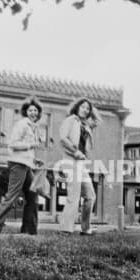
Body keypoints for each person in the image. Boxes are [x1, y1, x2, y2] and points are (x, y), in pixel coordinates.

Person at [0, 96, 42, 235]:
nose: (33, 113)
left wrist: (35, 161)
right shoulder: (22, 124)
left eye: (36, 110)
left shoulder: (33, 127)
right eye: (30, 110)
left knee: (32, 196)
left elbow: (26, 150)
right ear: (25, 112)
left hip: (27, 165)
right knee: (11, 196)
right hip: (18, 164)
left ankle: (29, 231)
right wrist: (31, 145)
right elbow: (13, 144)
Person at [59, 98, 100, 235]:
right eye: (82, 107)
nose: (85, 110)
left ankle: (85, 228)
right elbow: (63, 138)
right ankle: (66, 228)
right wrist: (75, 151)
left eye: (87, 108)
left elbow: (98, 121)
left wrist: (91, 111)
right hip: (70, 161)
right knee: (74, 195)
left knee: (90, 196)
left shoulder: (86, 125)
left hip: (81, 164)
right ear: (77, 107)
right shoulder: (70, 120)